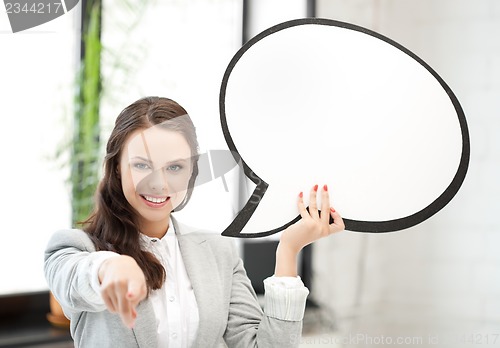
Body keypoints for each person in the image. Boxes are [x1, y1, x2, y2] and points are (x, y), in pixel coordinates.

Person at [44, 96, 345, 347]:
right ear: (118, 168)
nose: (159, 184)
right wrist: (109, 267)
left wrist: (289, 251)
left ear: (191, 172)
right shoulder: (76, 248)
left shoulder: (218, 252)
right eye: (141, 165)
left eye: (174, 167)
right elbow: (74, 279)